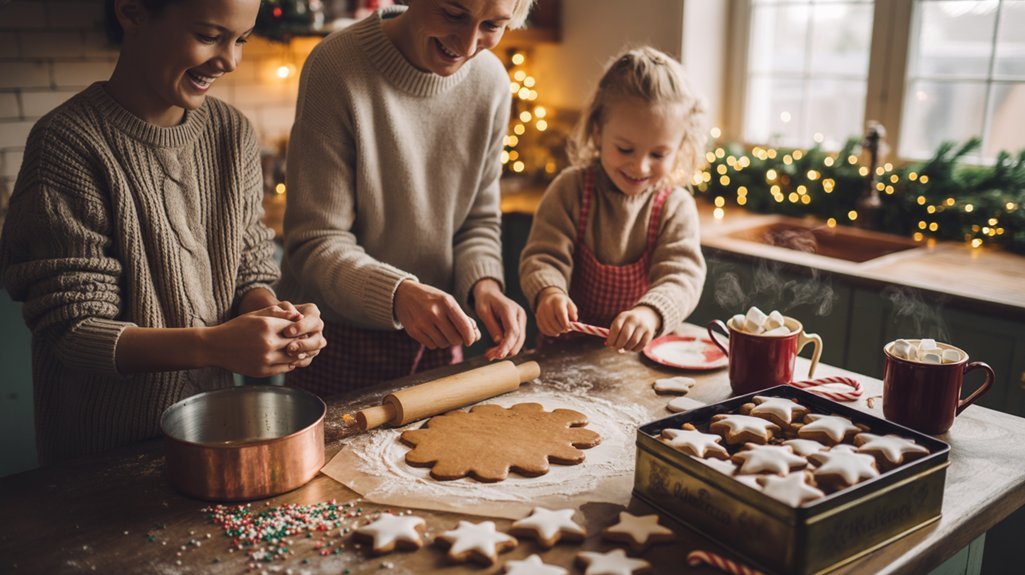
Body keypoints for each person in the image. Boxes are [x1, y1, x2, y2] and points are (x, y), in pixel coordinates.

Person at [0, 0, 326, 464]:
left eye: (241, 40)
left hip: (211, 435)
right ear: (133, 12)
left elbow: (249, 272)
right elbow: (73, 330)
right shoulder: (68, 144)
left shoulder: (231, 133)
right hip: (101, 458)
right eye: (211, 36)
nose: (230, 61)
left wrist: (275, 322)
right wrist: (216, 344)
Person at [278, 0, 533, 394]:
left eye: (492, 26)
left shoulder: (492, 82)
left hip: (439, 337)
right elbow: (314, 242)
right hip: (334, 340)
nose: (467, 45)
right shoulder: (336, 65)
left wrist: (485, 286)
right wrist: (397, 295)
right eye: (452, 14)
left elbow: (477, 221)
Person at [519, 46, 709, 352]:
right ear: (597, 133)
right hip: (563, 352)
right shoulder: (570, 190)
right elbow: (543, 257)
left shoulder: (674, 206)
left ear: (680, 148)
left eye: (658, 154)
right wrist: (549, 293)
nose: (640, 166)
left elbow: (682, 276)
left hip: (637, 358)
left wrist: (649, 314)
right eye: (624, 149)